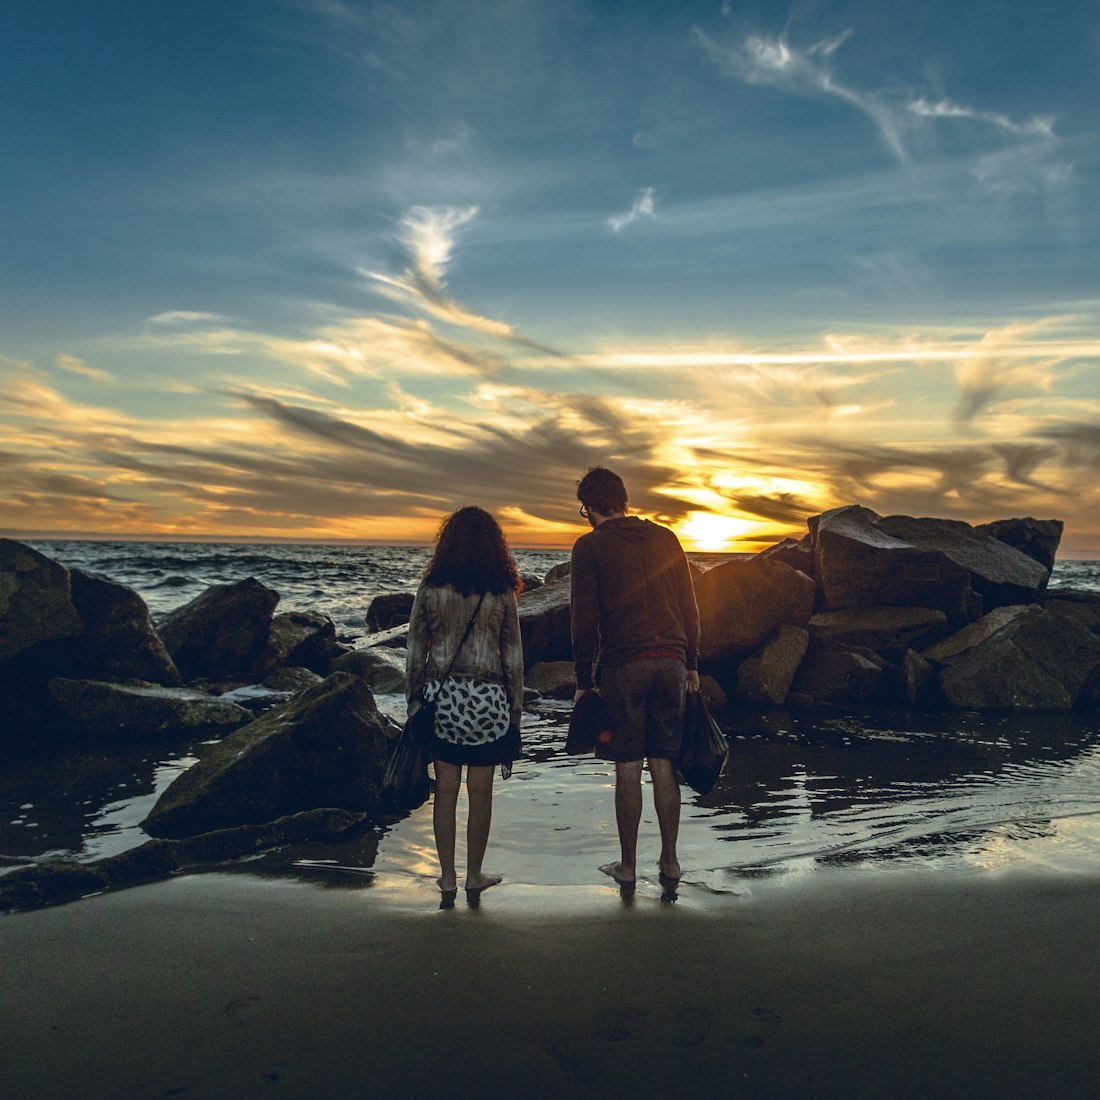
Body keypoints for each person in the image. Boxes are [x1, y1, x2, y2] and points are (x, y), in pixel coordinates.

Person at [570, 467, 700, 888]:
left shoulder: (590, 546)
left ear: (589, 507)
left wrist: (583, 679)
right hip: (671, 663)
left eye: (583, 510)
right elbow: (689, 606)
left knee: (627, 766)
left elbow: (583, 619)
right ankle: (670, 862)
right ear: (623, 499)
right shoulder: (666, 538)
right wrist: (692, 663)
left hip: (624, 665)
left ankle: (627, 866)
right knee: (664, 762)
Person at [406, 506, 524, 907]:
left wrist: (413, 700)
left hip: (445, 700)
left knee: (446, 791)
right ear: (495, 547)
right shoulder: (501, 591)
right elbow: (513, 655)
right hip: (489, 700)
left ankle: (446, 877)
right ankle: (475, 875)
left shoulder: (431, 588)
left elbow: (415, 650)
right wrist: (515, 709)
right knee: (481, 790)